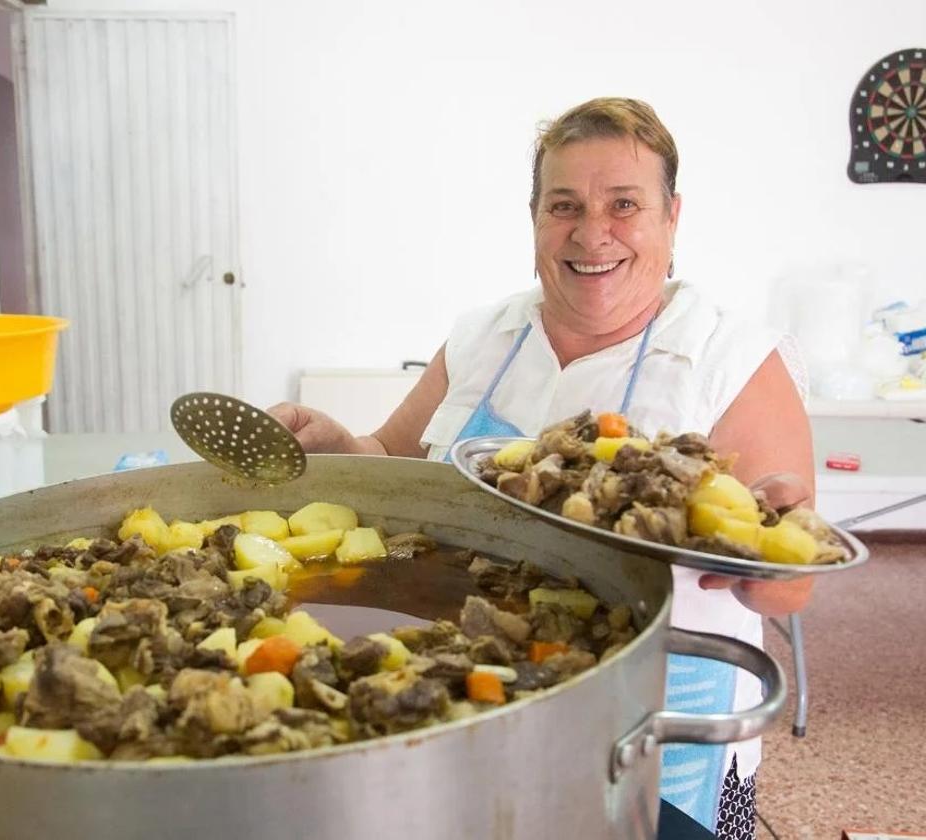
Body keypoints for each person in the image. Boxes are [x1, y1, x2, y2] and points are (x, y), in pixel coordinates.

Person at [269, 97, 813, 840]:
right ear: (533, 220)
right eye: (565, 206)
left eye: (624, 205)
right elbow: (392, 464)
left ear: (671, 218)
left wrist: (772, 557)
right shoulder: (484, 337)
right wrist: (338, 442)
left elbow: (794, 578)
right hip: (462, 687)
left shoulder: (731, 358)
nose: (592, 233)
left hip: (643, 709)